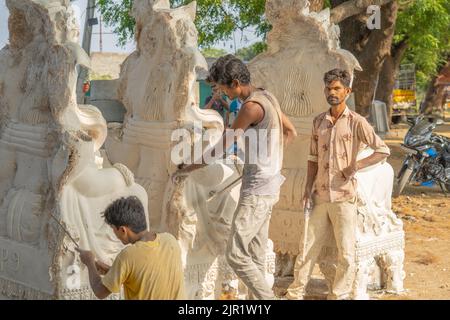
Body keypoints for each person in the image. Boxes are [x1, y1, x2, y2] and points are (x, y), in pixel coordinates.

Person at [174, 54, 297, 300]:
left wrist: (188, 167)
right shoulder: (268, 96)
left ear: (235, 83)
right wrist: (270, 160)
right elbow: (290, 131)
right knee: (256, 254)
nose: (222, 94)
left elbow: (221, 147)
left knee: (236, 255)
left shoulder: (251, 107)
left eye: (222, 88)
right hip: (269, 185)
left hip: (257, 191)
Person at [285, 69, 391, 300]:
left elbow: (382, 150)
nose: (332, 93)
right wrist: (306, 189)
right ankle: (294, 293)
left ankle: (339, 294)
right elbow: (312, 159)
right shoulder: (318, 121)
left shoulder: (357, 122)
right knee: (307, 248)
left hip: (344, 197)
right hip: (320, 196)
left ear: (347, 91)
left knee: (346, 252)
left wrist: (355, 166)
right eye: (328, 89)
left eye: (337, 89)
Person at [76, 196, 185, 300]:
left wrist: (89, 262)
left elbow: (100, 292)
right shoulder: (170, 240)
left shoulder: (128, 256)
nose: (114, 234)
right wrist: (112, 271)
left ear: (123, 230)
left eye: (113, 229)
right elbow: (148, 276)